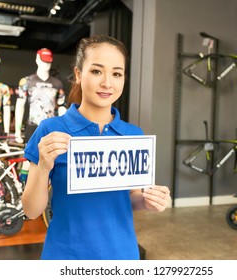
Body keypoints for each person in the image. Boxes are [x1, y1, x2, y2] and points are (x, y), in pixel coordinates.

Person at [21, 35, 171, 260]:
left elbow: (130, 198)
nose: (107, 83)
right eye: (97, 71)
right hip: (64, 256)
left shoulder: (133, 135)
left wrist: (150, 201)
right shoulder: (50, 130)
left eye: (117, 73)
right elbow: (32, 211)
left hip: (122, 256)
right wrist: (43, 166)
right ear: (79, 75)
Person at [14, 48, 66, 144]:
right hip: (32, 126)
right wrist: (17, 130)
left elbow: (62, 107)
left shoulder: (57, 83)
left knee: (52, 157)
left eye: (48, 62)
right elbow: (19, 106)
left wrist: (64, 128)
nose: (46, 64)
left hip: (51, 127)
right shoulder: (27, 81)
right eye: (43, 61)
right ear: (37, 59)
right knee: (30, 158)